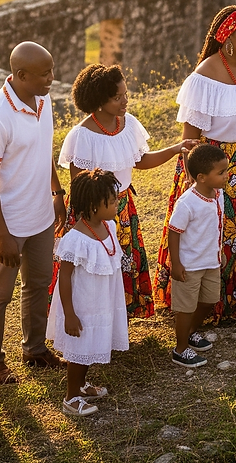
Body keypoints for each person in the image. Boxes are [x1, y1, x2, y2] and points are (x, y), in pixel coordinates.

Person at [154, 0, 236, 321]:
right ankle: (208, 304)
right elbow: (190, 139)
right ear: (227, 39)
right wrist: (194, 183)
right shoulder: (205, 76)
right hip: (215, 168)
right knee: (215, 234)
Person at [57, 63, 197, 319]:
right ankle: (92, 317)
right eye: (117, 97)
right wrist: (93, 217)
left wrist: (176, 148)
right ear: (99, 101)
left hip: (122, 208)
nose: (125, 102)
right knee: (96, 266)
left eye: (125, 95)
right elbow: (79, 184)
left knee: (123, 261)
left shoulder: (128, 124)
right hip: (94, 211)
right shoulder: (82, 136)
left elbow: (140, 161)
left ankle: (121, 315)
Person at [0, 41, 67, 385]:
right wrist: (1, 234)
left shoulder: (42, 99)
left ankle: (35, 349)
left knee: (39, 283)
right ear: (21, 75)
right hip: (8, 223)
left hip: (40, 215)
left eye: (52, 70)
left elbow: (44, 149)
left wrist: (56, 192)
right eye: (45, 74)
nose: (52, 78)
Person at [47, 168, 129, 418]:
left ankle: (81, 385)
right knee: (79, 351)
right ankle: (71, 397)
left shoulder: (109, 227)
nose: (117, 204)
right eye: (112, 201)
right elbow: (64, 278)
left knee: (90, 346)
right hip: (82, 306)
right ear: (94, 206)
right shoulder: (75, 240)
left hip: (101, 302)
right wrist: (70, 314)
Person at [166, 144, 229, 367]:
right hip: (190, 266)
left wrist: (219, 251)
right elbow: (174, 232)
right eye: (221, 172)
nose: (226, 175)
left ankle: (191, 332)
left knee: (209, 300)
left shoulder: (218, 194)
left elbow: (215, 226)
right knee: (186, 308)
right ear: (201, 177)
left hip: (211, 261)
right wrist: (176, 264)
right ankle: (180, 349)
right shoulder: (187, 203)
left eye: (226, 170)